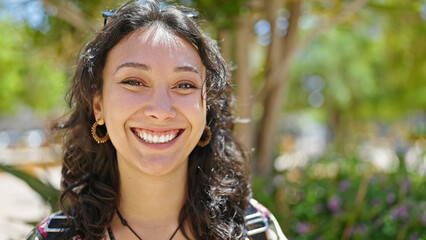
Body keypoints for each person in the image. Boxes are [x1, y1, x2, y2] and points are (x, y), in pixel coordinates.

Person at [26, 0, 286, 239]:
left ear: (207, 107)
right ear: (98, 105)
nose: (161, 110)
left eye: (184, 85)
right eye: (134, 82)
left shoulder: (256, 230)